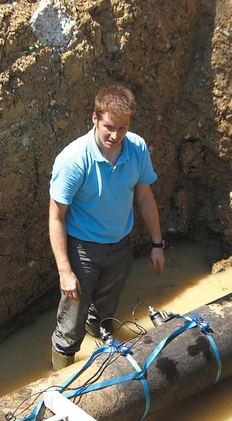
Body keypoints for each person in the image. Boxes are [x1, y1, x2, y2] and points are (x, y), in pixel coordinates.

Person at [48, 84, 165, 370]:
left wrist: (157, 244)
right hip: (82, 252)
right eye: (109, 127)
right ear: (95, 119)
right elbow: (55, 217)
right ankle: (61, 384)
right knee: (69, 329)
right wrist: (65, 271)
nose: (116, 136)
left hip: (121, 246)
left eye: (123, 128)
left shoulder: (136, 148)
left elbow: (145, 196)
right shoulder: (74, 160)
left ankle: (106, 364)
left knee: (105, 314)